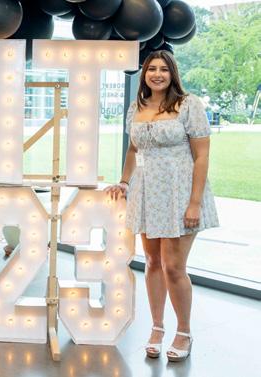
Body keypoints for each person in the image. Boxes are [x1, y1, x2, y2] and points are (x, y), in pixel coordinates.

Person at [105, 50, 219, 362]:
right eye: (151, 69)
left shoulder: (189, 105)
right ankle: (157, 327)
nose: (157, 74)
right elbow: (132, 149)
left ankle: (184, 331)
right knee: (152, 263)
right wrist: (125, 181)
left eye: (164, 69)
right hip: (147, 193)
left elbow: (202, 156)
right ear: (144, 74)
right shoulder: (136, 107)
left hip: (180, 193)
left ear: (173, 74)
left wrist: (194, 202)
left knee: (173, 266)